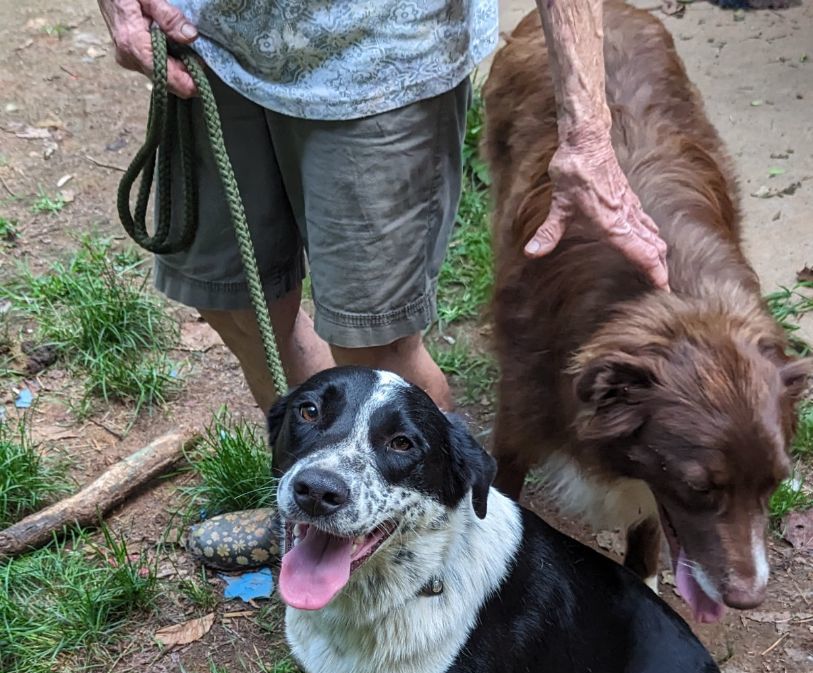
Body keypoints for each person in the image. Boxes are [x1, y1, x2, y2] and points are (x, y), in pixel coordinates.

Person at [98, 0, 668, 569]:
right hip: (204, 42)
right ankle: (320, 508)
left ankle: (435, 559)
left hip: (381, 60)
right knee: (240, 306)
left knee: (373, 341)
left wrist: (586, 131)